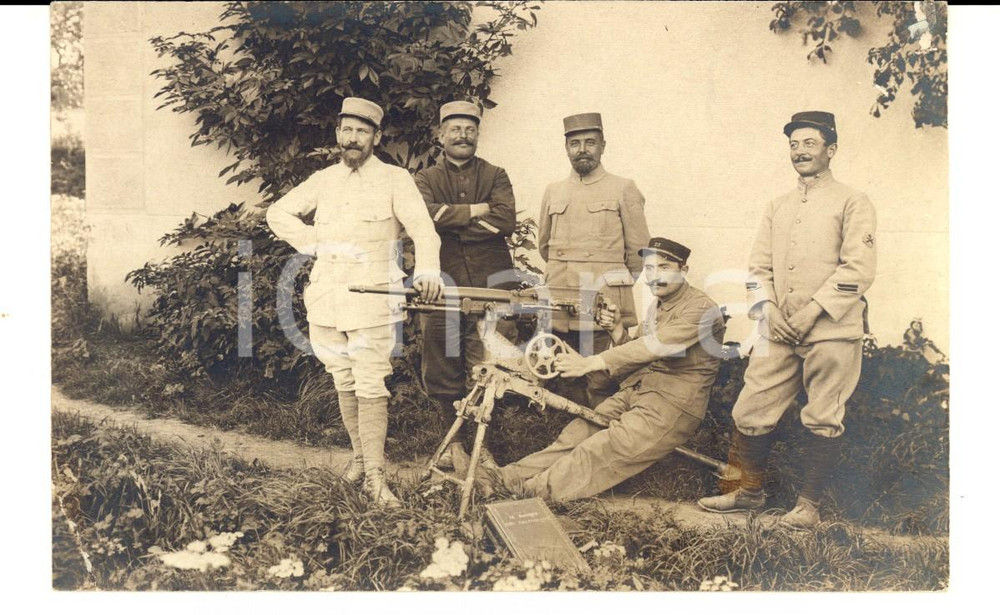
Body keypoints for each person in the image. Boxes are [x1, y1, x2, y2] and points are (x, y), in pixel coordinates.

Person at [697, 111, 877, 529]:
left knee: (823, 415)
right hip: (778, 329)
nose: (800, 152)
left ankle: (808, 507)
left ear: (831, 150)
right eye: (794, 145)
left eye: (809, 144)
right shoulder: (777, 206)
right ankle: (748, 493)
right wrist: (771, 313)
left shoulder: (853, 201)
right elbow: (759, 269)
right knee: (752, 407)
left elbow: (858, 270)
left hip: (832, 328)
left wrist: (812, 311)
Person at [266, 97, 444, 507]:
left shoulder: (396, 179)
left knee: (370, 382)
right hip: (327, 296)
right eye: (346, 130)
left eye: (362, 131)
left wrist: (429, 272)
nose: (353, 138)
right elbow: (278, 213)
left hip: (373, 298)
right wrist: (314, 244)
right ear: (337, 135)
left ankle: (378, 477)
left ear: (377, 137)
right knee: (342, 380)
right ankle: (360, 462)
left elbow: (425, 231)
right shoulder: (324, 180)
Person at [453, 238, 725, 502]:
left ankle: (522, 494)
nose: (654, 276)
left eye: (664, 268)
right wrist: (616, 329)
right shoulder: (659, 305)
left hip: (671, 406)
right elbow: (636, 352)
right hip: (637, 393)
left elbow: (655, 347)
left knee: (598, 450)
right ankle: (499, 479)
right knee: (575, 435)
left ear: (684, 270)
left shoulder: (701, 309)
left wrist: (589, 363)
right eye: (650, 268)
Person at [413, 101, 518, 468]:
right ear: (440, 135)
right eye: (454, 129)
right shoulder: (425, 179)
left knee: (490, 360)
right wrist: (477, 210)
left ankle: (482, 444)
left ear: (477, 135)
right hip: (441, 281)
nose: (462, 135)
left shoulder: (496, 174)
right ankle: (451, 443)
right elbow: (426, 216)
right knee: (441, 358)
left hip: (492, 281)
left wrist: (449, 222)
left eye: (469, 129)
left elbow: (504, 221)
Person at [537, 112, 651, 407]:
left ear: (603, 145)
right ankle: (569, 432)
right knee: (564, 370)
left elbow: (639, 253)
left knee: (601, 375)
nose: (582, 149)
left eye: (590, 142)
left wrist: (614, 288)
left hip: (602, 299)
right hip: (561, 296)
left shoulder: (623, 188)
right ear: (566, 148)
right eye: (575, 143)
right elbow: (544, 245)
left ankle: (603, 431)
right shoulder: (554, 190)